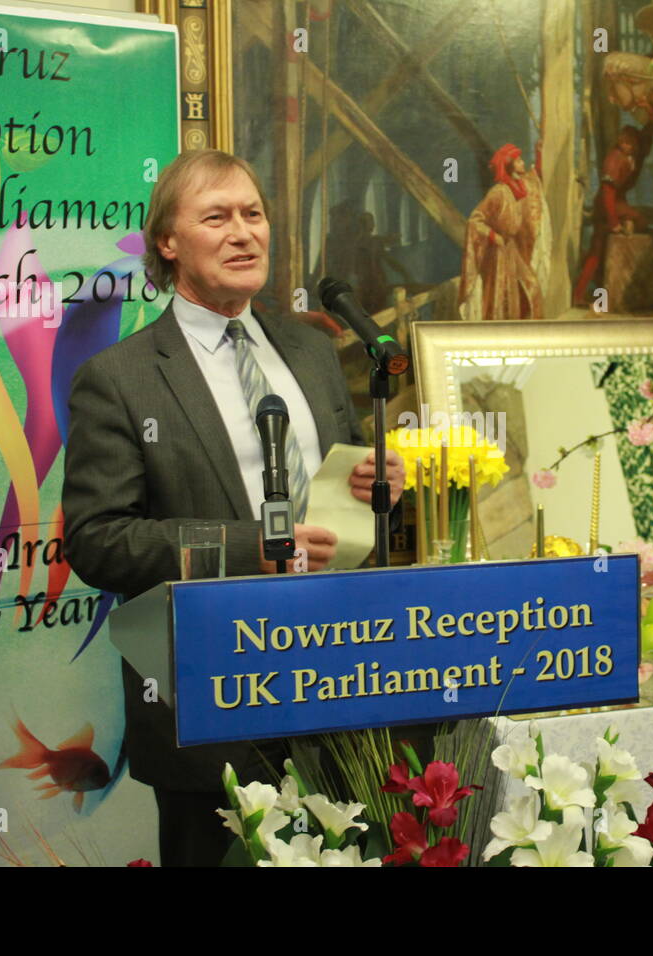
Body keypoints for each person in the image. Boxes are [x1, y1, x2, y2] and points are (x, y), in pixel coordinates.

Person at [60, 149, 405, 866]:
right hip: (207, 697)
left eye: (254, 214)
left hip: (341, 681)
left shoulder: (312, 352)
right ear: (168, 242)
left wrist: (377, 489)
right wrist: (253, 548)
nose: (244, 233)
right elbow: (98, 543)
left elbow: (344, 495)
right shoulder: (119, 381)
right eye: (216, 217)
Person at [458, 142, 550, 321]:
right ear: (510, 165)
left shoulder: (516, 188)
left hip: (511, 248)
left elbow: (535, 180)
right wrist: (493, 236)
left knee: (530, 287)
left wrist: (539, 155)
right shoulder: (498, 192)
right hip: (498, 252)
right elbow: (475, 220)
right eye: (519, 160)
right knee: (501, 295)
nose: (523, 163)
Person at [572, 124, 653, 306]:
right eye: (623, 140)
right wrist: (614, 221)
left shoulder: (632, 156)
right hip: (606, 207)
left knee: (600, 252)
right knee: (597, 253)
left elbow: (647, 137)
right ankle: (580, 295)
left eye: (630, 142)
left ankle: (601, 296)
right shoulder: (614, 159)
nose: (626, 144)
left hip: (618, 203)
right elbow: (607, 193)